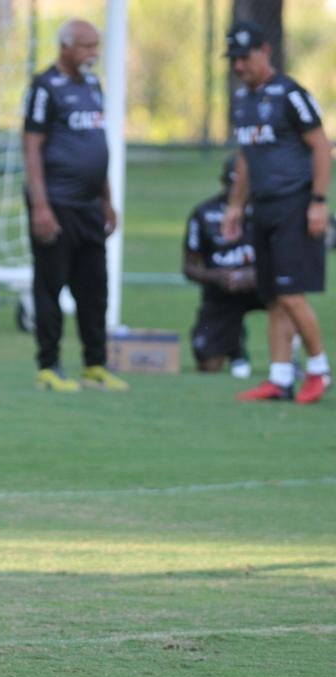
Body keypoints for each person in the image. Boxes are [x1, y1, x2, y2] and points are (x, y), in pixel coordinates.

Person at [222, 20, 331, 403]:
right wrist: (235, 206)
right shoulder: (242, 100)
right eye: (233, 59)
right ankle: (280, 378)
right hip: (262, 208)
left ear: (265, 52)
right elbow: (247, 156)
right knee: (272, 297)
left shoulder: (290, 94)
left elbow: (320, 146)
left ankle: (318, 370)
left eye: (244, 57)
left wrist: (318, 202)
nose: (238, 66)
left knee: (291, 294)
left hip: (294, 205)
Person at [22, 18, 128, 393]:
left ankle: (95, 364)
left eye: (96, 46)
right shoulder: (44, 87)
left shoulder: (94, 86)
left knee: (94, 286)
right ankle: (48, 366)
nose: (93, 54)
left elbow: (95, 147)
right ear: (65, 47)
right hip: (56, 202)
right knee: (51, 285)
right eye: (86, 46)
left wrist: (108, 201)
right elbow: (32, 146)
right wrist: (41, 206)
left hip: (89, 205)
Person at [183, 155, 264, 376]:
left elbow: (290, 266)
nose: (236, 192)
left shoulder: (266, 212)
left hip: (263, 286)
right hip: (221, 291)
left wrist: (255, 275)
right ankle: (235, 346)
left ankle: (289, 364)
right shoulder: (204, 214)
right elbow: (189, 267)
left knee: (289, 299)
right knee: (208, 365)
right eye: (232, 185)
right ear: (222, 182)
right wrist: (216, 276)